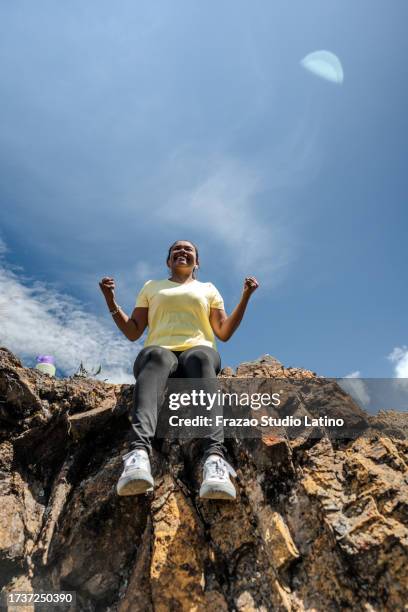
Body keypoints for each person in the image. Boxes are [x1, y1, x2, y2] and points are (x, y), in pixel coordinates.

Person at [99, 240, 259, 500]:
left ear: (197, 262)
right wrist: (111, 301)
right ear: (168, 260)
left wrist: (245, 297)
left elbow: (224, 332)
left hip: (197, 352)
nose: (182, 252)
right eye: (177, 250)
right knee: (156, 356)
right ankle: (138, 456)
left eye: (189, 250)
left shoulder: (207, 289)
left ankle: (214, 461)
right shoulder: (152, 287)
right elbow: (133, 331)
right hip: (160, 354)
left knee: (200, 357)